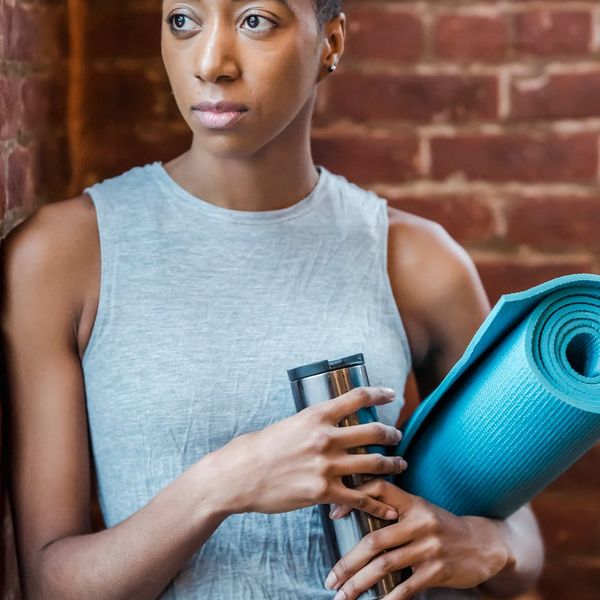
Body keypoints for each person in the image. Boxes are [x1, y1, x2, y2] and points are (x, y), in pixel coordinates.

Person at [1, 1, 544, 599]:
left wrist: (480, 543)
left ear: (330, 43)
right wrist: (223, 484)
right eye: (183, 20)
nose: (211, 63)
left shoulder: (416, 263)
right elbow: (52, 587)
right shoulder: (63, 256)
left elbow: (520, 535)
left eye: (257, 20)